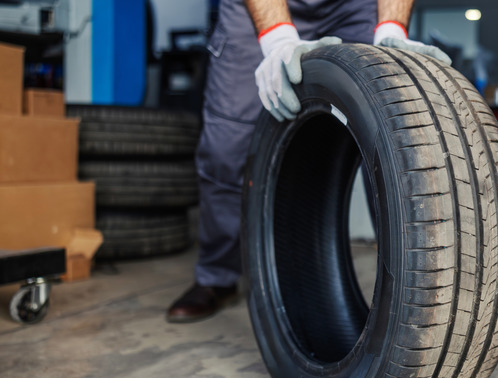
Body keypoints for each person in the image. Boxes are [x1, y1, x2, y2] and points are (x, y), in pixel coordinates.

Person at [166, 0, 450, 322]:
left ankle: (415, 285)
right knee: (225, 148)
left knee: (396, 132)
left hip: (356, 6)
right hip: (257, 8)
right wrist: (276, 38)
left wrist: (391, 27)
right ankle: (216, 278)